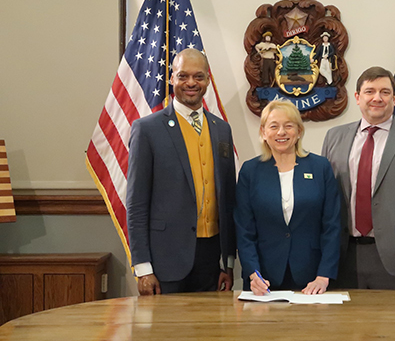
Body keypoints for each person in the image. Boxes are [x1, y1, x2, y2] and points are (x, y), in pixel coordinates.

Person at [127, 48, 236, 295]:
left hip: (211, 260)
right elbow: (136, 204)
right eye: (183, 76)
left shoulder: (222, 130)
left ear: (208, 80)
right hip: (165, 261)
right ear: (171, 78)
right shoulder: (147, 130)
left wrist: (228, 262)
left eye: (198, 77)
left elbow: (228, 201)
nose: (191, 83)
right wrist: (143, 268)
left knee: (211, 332)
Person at [322, 66, 395, 290]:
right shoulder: (334, 137)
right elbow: (324, 199)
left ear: (394, 98)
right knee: (346, 326)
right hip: (342, 258)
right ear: (358, 97)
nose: (377, 98)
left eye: (385, 92)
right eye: (369, 91)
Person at [235, 100, 340, 295]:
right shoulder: (250, 171)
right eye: (273, 126)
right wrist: (253, 273)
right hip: (263, 280)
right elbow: (244, 230)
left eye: (288, 126)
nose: (281, 132)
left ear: (299, 131)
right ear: (263, 133)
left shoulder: (320, 167)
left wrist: (324, 275)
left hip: (313, 280)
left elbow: (332, 226)